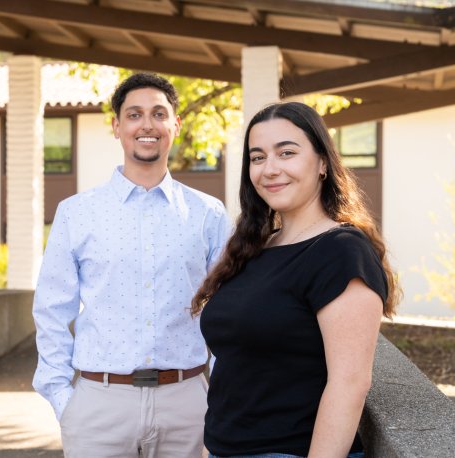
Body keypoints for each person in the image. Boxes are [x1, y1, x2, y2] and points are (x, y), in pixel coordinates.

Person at [32, 72, 231, 457]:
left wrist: (220, 391)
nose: (147, 125)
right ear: (117, 126)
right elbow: (52, 309)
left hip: (187, 403)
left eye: (159, 114)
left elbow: (226, 310)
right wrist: (62, 397)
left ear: (176, 124)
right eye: (134, 114)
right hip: (98, 405)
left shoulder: (208, 214)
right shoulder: (76, 213)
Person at [192, 102, 400, 458]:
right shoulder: (256, 247)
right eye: (257, 158)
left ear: (322, 163)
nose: (270, 169)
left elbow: (349, 384)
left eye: (286, 153)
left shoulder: (341, 251)